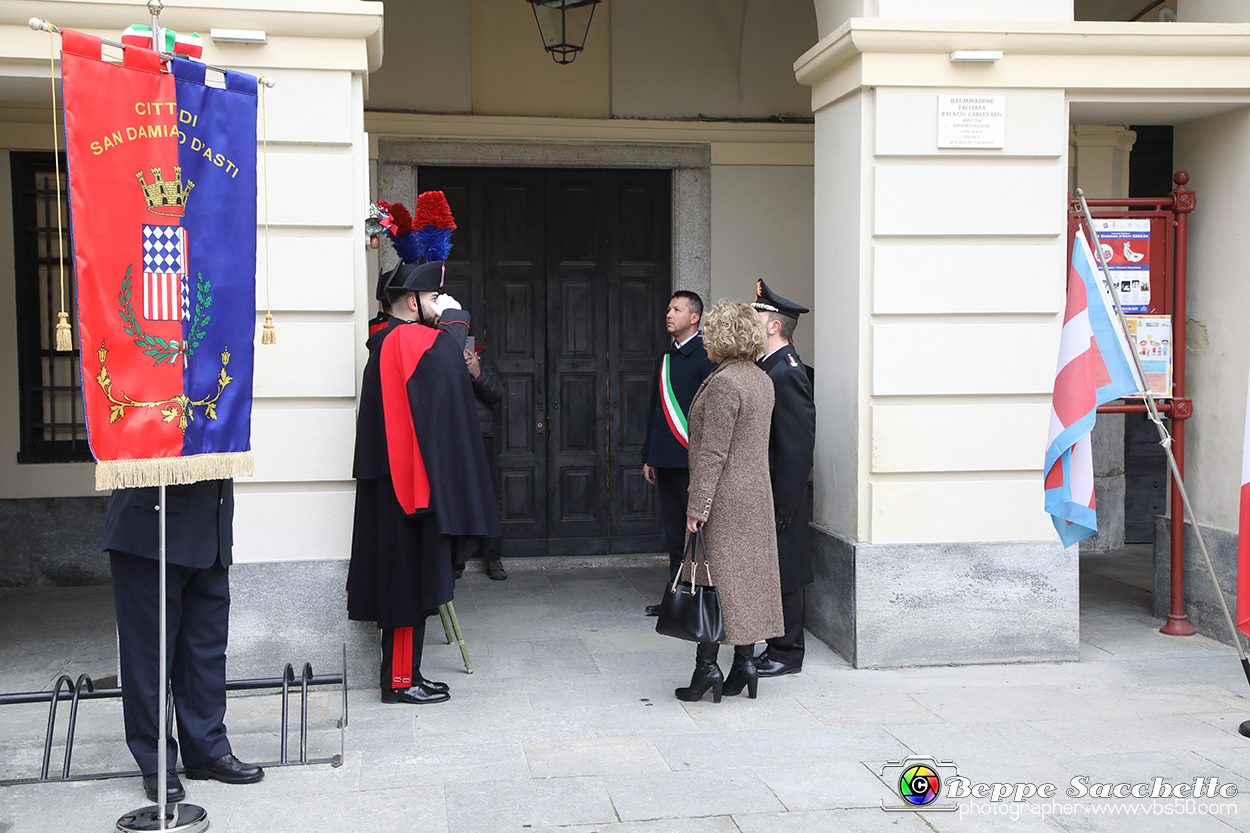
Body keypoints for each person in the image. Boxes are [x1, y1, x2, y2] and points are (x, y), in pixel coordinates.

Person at [348, 259, 502, 705]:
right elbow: (448, 354)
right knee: (405, 587)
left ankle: (407, 673)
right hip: (404, 489)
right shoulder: (407, 339)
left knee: (409, 583)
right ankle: (400, 681)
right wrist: (457, 316)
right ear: (413, 301)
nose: (440, 304)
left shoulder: (391, 339)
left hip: (399, 483)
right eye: (433, 296)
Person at [104, 478, 264, 804]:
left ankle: (206, 749)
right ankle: (155, 760)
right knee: (149, 655)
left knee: (205, 650)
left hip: (209, 526)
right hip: (151, 529)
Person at [673, 300, 783, 703]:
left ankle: (706, 669)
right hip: (755, 495)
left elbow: (713, 452)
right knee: (746, 583)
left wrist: (696, 507)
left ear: (720, 336)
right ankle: (744, 664)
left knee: (712, 582)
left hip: (725, 498)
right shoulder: (760, 379)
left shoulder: (725, 383)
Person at [751, 279, 817, 677]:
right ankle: (775, 645)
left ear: (774, 325)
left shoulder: (787, 372)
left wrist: (785, 504)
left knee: (787, 571)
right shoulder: (769, 367)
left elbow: (796, 445)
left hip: (782, 493)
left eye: (758, 314)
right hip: (771, 490)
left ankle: (787, 653)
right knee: (775, 570)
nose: (752, 319)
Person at [640, 290, 717, 616]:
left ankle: (696, 599)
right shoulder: (666, 358)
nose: (669, 314)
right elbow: (657, 410)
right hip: (666, 460)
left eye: (677, 309)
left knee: (695, 534)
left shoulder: (706, 357)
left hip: (691, 461)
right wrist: (649, 455)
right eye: (669, 308)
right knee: (674, 534)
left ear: (694, 317)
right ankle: (675, 597)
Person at [466, 340, 507, 580]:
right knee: (455, 497)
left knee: (487, 497)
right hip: (451, 435)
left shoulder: (482, 359)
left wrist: (477, 372)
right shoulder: (439, 357)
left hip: (482, 435)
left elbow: (498, 393)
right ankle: (456, 559)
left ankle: (493, 556)